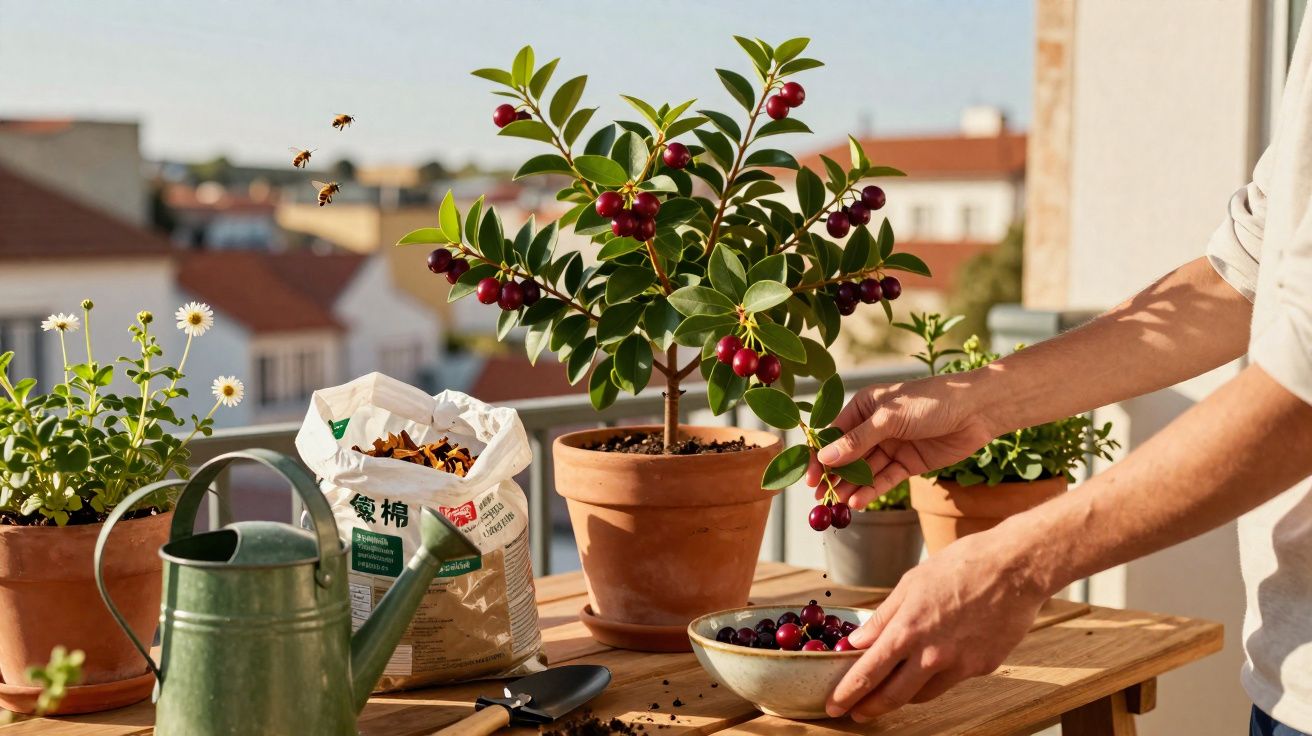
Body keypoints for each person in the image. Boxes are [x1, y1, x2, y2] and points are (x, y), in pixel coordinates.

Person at [810, 14, 1312, 736]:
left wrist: (1019, 565)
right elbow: (1241, 276)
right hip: (1284, 674)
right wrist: (981, 398)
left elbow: (1302, 392)